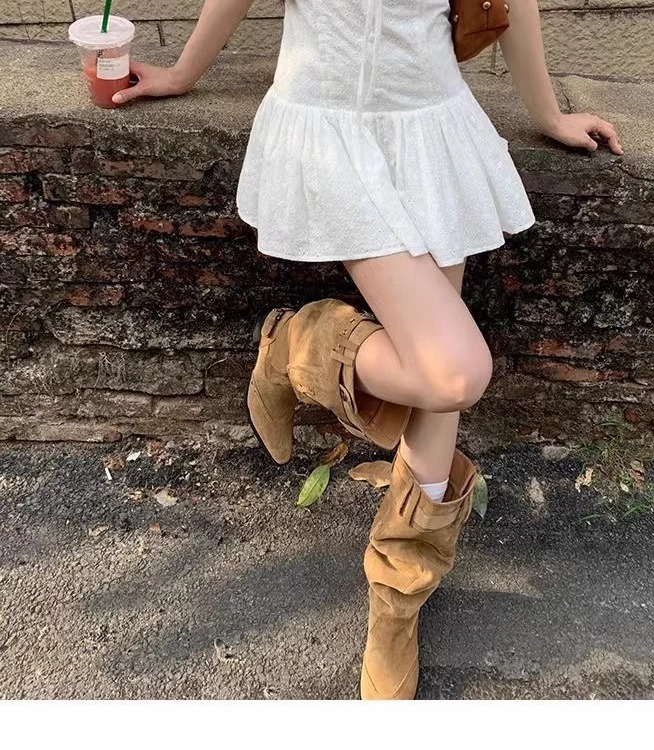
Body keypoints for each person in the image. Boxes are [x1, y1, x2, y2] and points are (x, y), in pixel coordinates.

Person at [114, 0, 624, 700]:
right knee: (454, 372)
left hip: (431, 127)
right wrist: (181, 73)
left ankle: (396, 601)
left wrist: (548, 114)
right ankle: (298, 345)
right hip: (328, 128)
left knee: (436, 389)